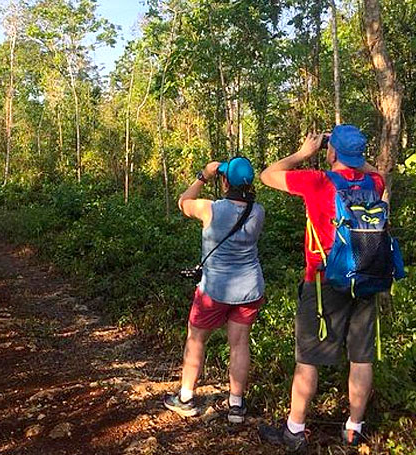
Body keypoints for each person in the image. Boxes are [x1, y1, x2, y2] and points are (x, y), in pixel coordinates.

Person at [257, 125, 384, 451]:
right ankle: (354, 428)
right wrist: (351, 153)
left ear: (331, 153)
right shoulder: (375, 182)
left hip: (324, 282)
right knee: (361, 358)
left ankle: (295, 431)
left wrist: (304, 152)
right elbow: (375, 170)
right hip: (368, 279)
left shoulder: (318, 181)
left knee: (309, 359)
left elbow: (268, 175)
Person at [163, 157, 266, 424]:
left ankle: (186, 398)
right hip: (250, 289)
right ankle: (236, 406)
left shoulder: (211, 209)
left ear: (224, 181)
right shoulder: (258, 211)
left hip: (214, 290)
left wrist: (203, 175)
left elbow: (183, 202)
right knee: (240, 343)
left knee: (196, 339)